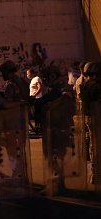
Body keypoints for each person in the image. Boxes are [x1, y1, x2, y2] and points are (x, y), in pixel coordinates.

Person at [38, 65, 75, 195]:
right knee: (53, 156)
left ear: (52, 76)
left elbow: (66, 97)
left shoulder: (62, 86)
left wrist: (53, 105)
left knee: (56, 156)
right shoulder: (51, 89)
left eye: (47, 77)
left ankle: (56, 185)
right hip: (52, 125)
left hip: (59, 127)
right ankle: (58, 184)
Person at [27, 68, 45, 133]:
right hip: (34, 99)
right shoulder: (32, 80)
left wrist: (35, 95)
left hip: (37, 99)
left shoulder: (37, 79)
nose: (27, 75)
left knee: (37, 113)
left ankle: (39, 127)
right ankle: (37, 126)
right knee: (34, 113)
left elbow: (40, 87)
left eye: (28, 73)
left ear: (31, 73)